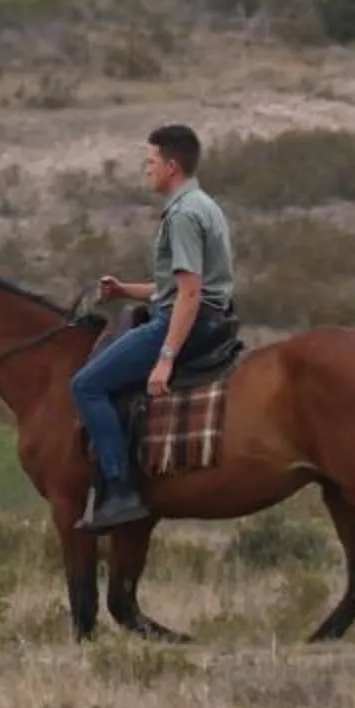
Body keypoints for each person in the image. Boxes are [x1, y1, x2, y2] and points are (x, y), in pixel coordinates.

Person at [73, 123, 236, 533]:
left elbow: (188, 294)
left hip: (188, 322)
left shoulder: (182, 215)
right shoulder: (204, 204)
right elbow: (173, 288)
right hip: (209, 316)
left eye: (150, 162)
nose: (146, 170)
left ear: (172, 166)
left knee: (86, 386)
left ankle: (120, 489)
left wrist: (165, 358)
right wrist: (125, 290)